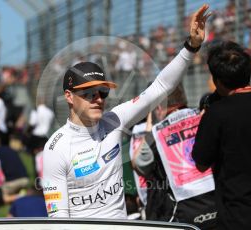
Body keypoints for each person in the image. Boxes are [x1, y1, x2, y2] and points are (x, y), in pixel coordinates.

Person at [42, 4, 211, 218]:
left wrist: (191, 46)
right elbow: (59, 220)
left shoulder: (114, 120)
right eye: (88, 93)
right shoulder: (55, 148)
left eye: (102, 92)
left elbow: (160, 87)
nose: (98, 99)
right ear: (68, 96)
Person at [192, 40, 251, 230]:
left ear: (217, 82)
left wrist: (204, 123)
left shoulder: (216, 114)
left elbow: (201, 163)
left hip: (238, 219)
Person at [130, 85, 217, 229]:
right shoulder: (205, 118)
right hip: (218, 204)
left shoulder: (157, 132)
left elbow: (140, 164)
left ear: (158, 108)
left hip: (182, 216)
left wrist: (150, 125)